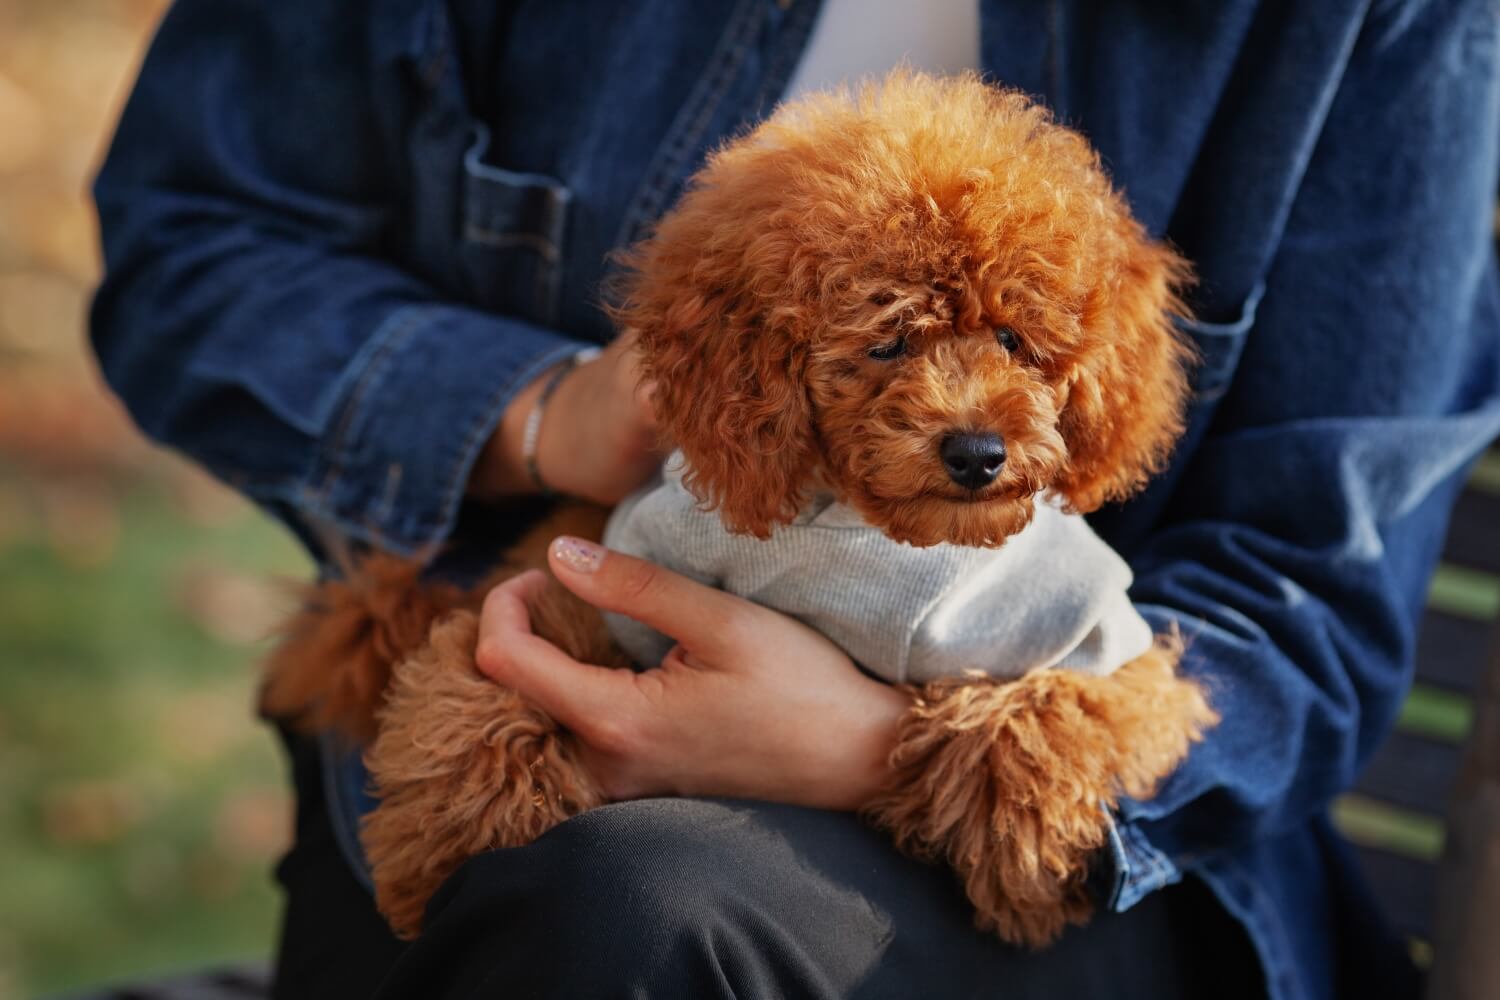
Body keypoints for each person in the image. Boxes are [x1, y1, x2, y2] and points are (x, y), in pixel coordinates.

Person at [90, 1, 1500, 998]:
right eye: (895, 338)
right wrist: (543, 413)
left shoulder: (1364, 21)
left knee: (641, 913)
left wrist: (889, 754)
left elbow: (1309, 597)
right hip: (507, 714)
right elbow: (197, 241)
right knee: (542, 889)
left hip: (1078, 858)